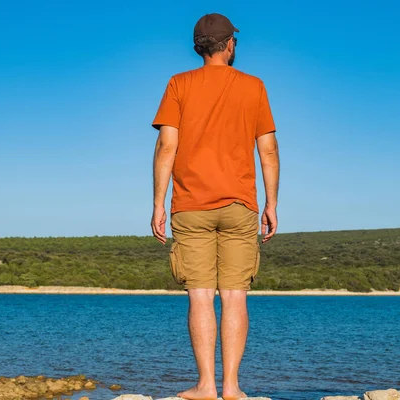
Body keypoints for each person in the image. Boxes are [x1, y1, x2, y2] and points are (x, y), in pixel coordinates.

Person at [150, 12, 280, 400]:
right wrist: (271, 203)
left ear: (198, 47)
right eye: (234, 41)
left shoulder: (179, 84)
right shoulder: (253, 86)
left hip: (190, 206)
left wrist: (158, 204)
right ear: (228, 45)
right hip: (241, 205)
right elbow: (268, 150)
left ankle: (206, 386)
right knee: (235, 294)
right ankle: (232, 388)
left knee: (201, 294)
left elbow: (166, 146)